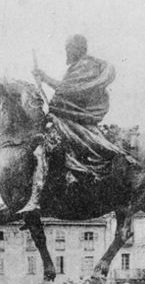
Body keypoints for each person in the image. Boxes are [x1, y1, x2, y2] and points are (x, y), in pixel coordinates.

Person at [23, 34, 121, 214]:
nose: (66, 53)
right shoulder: (79, 66)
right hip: (71, 118)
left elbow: (69, 90)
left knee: (45, 147)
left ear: (76, 49)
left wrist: (45, 78)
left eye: (68, 49)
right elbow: (67, 89)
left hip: (75, 121)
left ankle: (37, 198)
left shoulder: (85, 66)